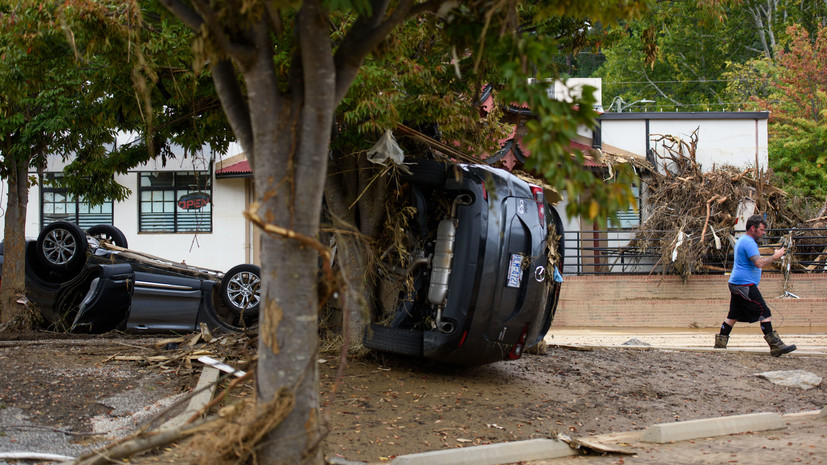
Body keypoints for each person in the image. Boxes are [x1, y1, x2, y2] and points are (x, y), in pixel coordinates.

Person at [715, 214, 797, 356]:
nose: (763, 232)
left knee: (733, 315)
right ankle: (775, 345)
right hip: (744, 284)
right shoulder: (749, 242)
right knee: (764, 312)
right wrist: (775, 256)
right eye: (762, 229)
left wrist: (754, 283)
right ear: (753, 228)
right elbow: (758, 262)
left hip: (739, 284)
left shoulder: (743, 240)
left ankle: (720, 344)